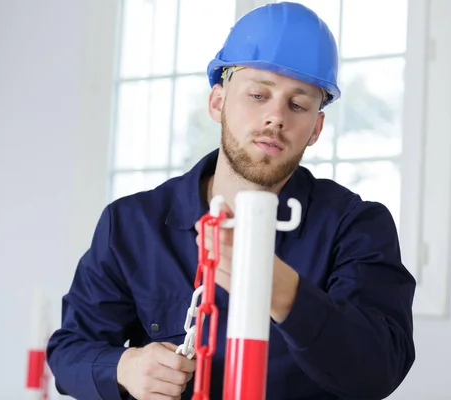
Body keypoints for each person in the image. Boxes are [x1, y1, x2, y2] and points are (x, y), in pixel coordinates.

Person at [46, 2, 417, 399]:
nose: (276, 117)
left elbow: (378, 369)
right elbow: (69, 354)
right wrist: (124, 368)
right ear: (217, 102)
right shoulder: (131, 224)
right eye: (258, 94)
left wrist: (282, 291)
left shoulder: (356, 227)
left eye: (297, 105)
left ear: (315, 128)